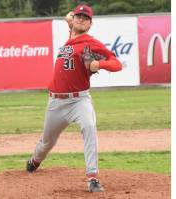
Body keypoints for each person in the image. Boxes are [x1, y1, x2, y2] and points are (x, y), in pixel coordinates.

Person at [26, 4, 122, 193]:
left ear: (90, 24)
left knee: (89, 127)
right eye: (78, 16)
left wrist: (98, 64)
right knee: (47, 142)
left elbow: (116, 64)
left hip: (79, 101)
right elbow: (70, 20)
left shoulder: (91, 43)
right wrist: (71, 20)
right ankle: (35, 160)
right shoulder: (71, 35)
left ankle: (92, 177)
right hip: (56, 102)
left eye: (85, 18)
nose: (80, 19)